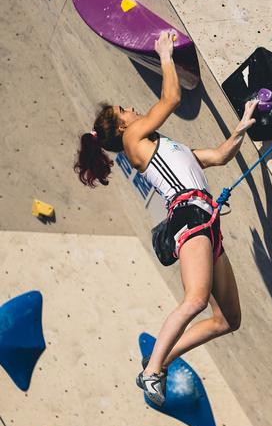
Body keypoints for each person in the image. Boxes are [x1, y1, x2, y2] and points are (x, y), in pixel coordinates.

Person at [74, 31, 258, 406]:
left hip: (206, 222)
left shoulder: (167, 148)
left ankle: (160, 358)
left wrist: (242, 125)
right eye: (125, 110)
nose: (132, 110)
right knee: (194, 300)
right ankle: (151, 371)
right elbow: (172, 97)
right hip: (190, 217)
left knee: (227, 320)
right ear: (122, 126)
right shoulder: (133, 140)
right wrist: (165, 55)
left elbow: (220, 156)